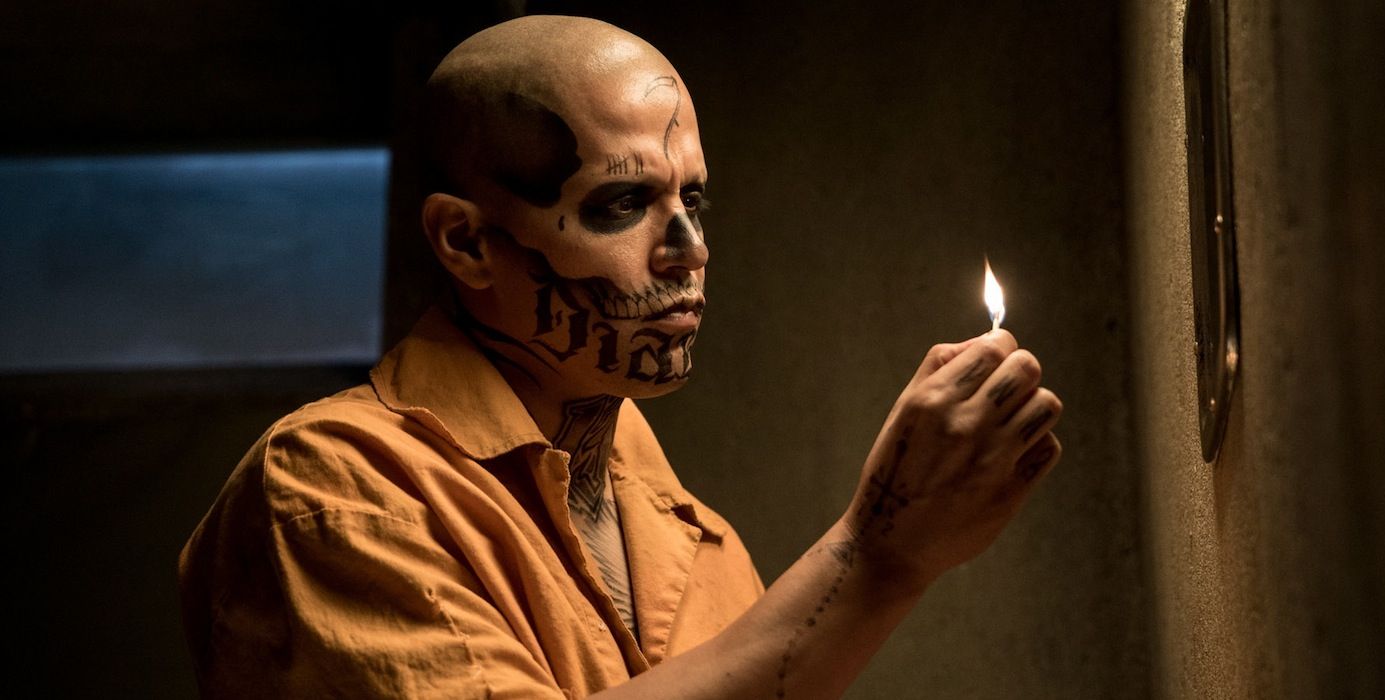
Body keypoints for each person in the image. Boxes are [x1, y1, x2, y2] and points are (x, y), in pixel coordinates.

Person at [179, 14, 1062, 699]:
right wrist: (876, 557)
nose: (689, 249)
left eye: (693, 201)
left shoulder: (701, 542)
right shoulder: (335, 487)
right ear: (467, 242)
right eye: (620, 204)